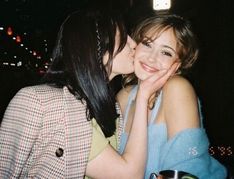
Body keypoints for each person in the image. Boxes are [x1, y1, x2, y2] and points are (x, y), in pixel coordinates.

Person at [0, 9, 177, 178]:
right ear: (97, 48)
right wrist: (143, 97)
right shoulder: (41, 101)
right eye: (124, 38)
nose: (134, 44)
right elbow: (128, 174)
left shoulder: (111, 108)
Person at [117, 13, 227, 179]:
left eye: (166, 53)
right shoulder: (124, 97)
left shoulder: (177, 88)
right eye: (147, 44)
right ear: (135, 46)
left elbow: (187, 169)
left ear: (177, 65)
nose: (152, 58)